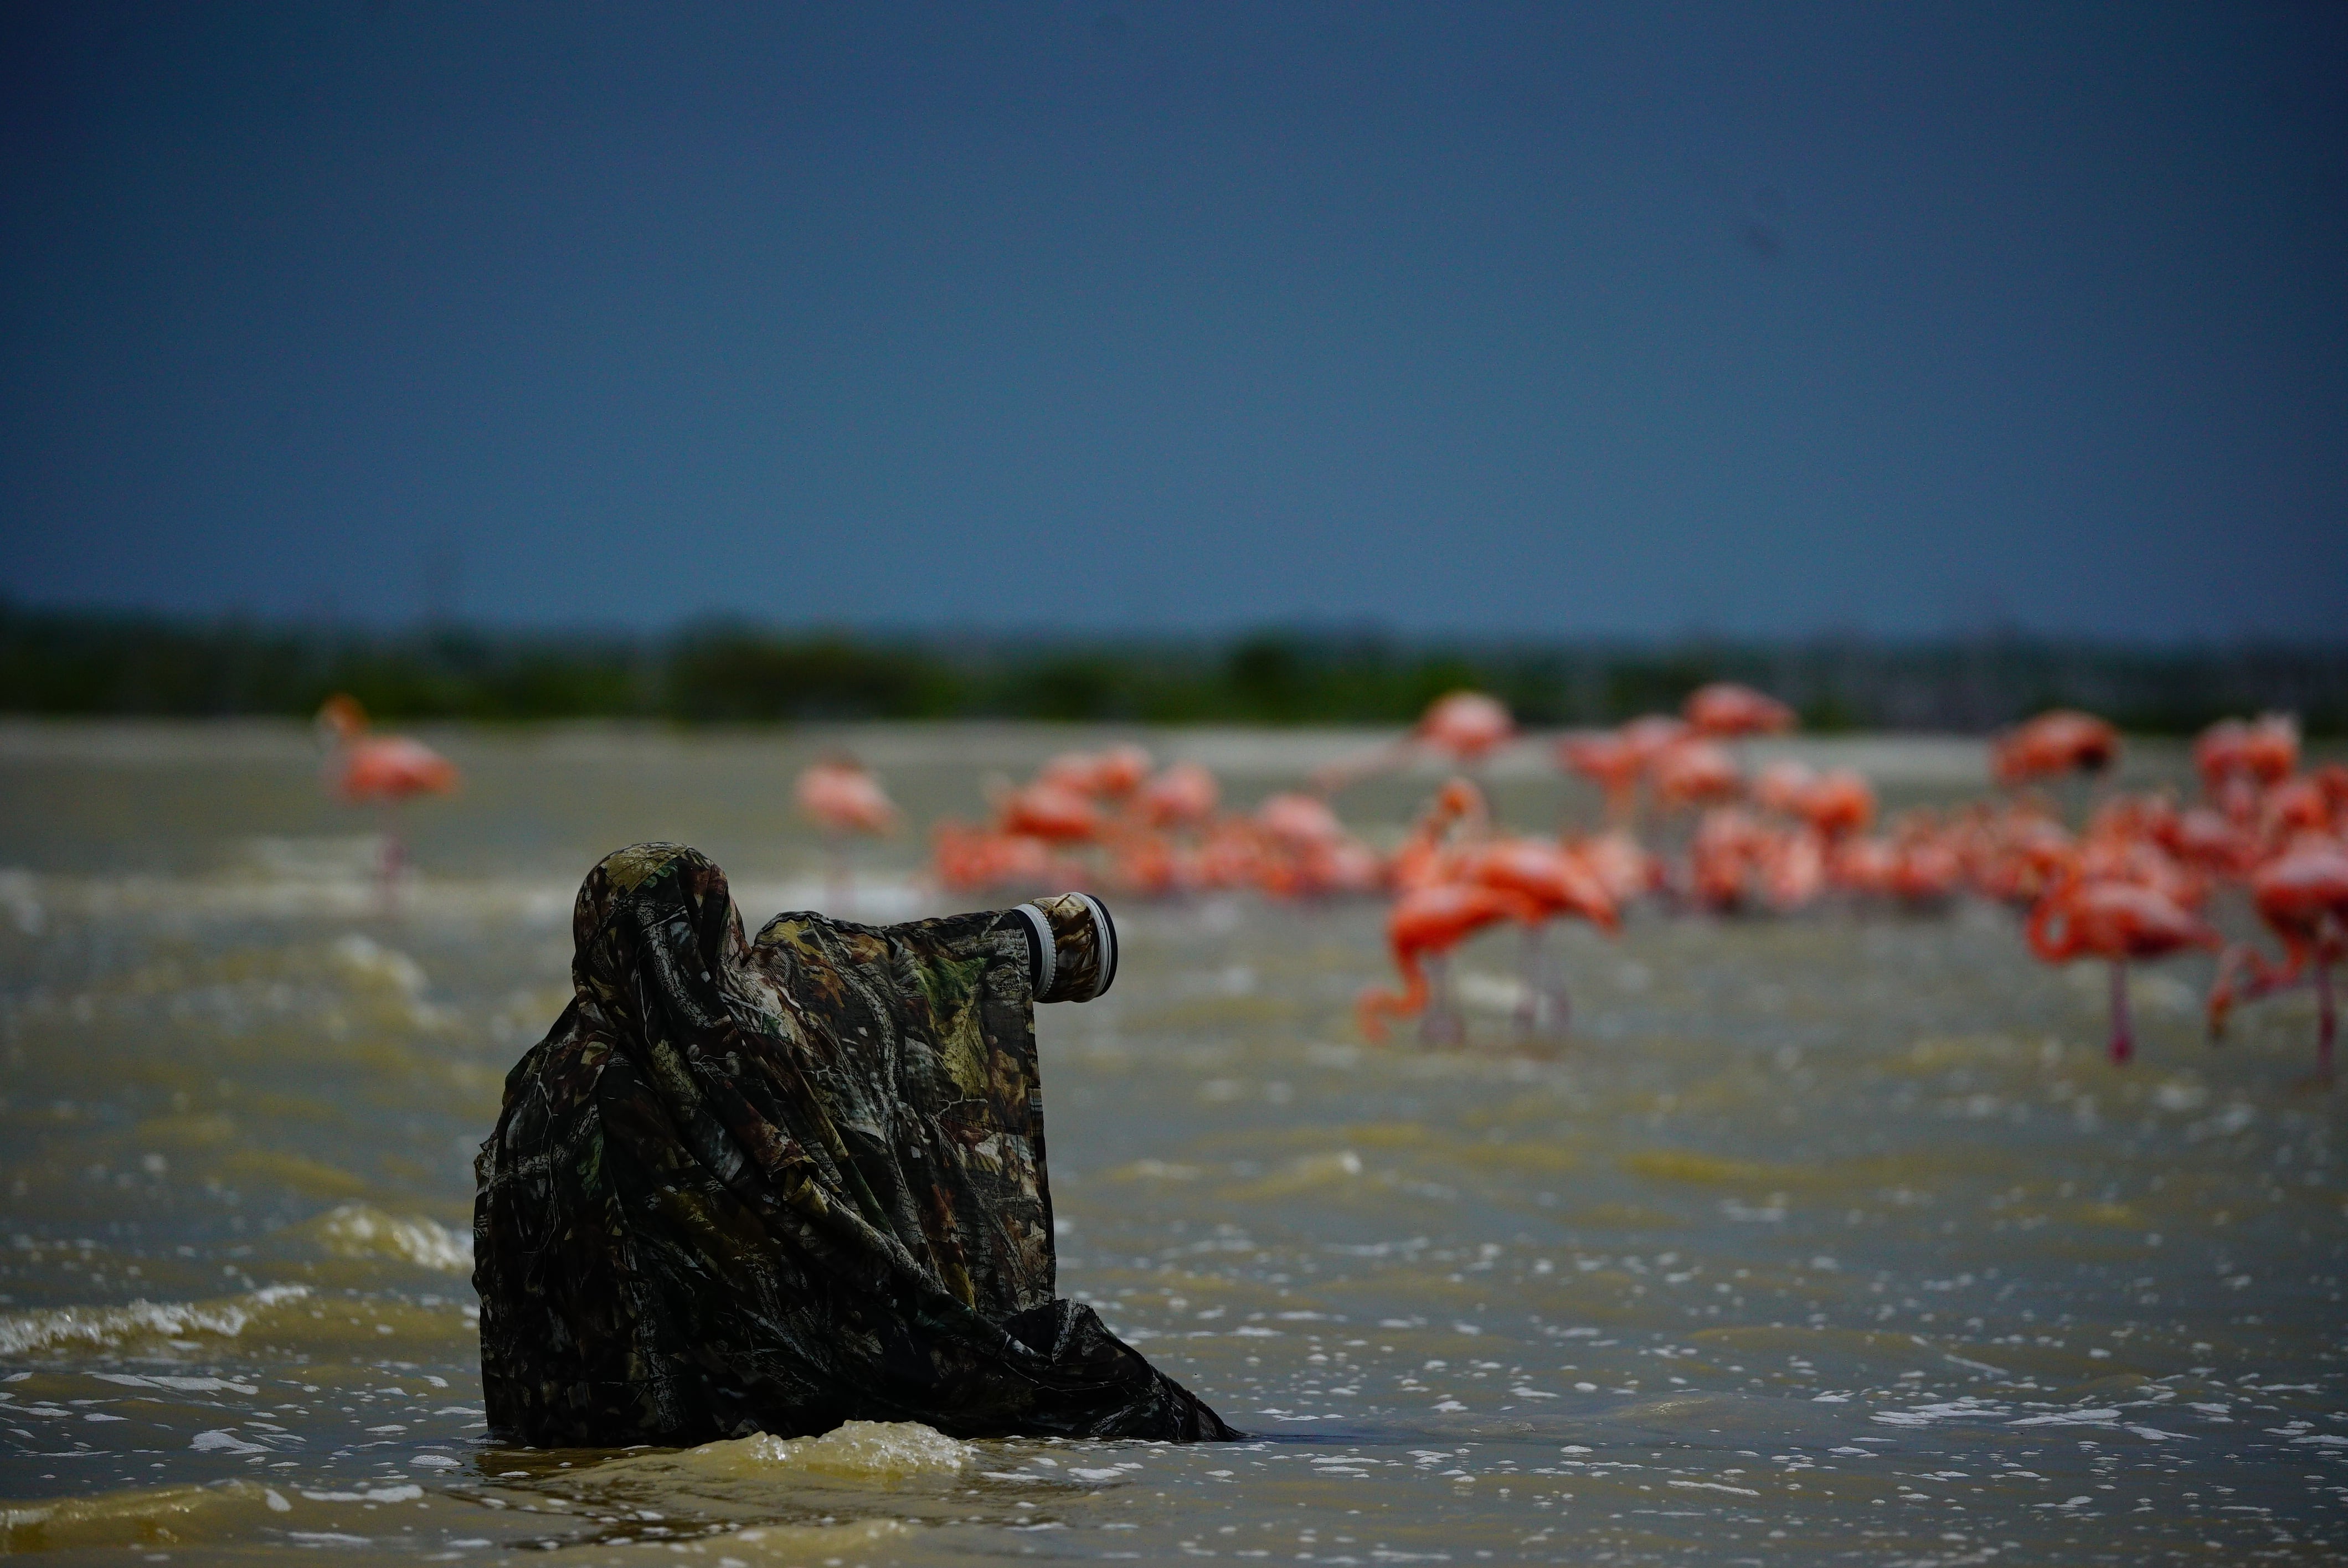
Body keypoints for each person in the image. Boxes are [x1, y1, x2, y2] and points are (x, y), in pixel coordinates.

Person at [471, 843, 1235, 1447]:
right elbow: (885, 990)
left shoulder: (537, 1089)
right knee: (1072, 1377)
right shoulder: (737, 1053)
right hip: (738, 1409)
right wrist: (1031, 942)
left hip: (563, 1424)